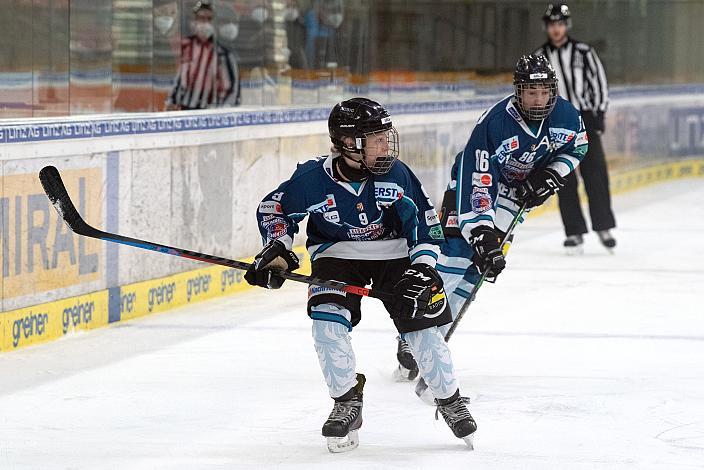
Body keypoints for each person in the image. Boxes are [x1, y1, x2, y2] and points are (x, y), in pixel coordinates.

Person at [244, 97, 476, 452]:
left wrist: (423, 266)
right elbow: (274, 208)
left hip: (395, 253)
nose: (386, 145)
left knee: (422, 324)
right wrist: (277, 250)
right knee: (327, 323)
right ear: (349, 143)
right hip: (336, 254)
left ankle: (450, 399)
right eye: (377, 138)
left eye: (386, 136)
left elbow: (426, 224)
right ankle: (346, 401)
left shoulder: (396, 175)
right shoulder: (311, 179)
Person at [406, 55, 588, 399]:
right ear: (518, 92)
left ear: (553, 90)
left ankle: (435, 338)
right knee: (456, 256)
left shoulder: (566, 114)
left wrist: (551, 173)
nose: (538, 99)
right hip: (472, 188)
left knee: (478, 269)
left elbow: (577, 146)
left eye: (543, 91)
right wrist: (482, 233)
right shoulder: (493, 124)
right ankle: (414, 329)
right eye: (530, 91)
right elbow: (476, 183)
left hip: (514, 198)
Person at [535, 3, 616, 253]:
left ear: (566, 26)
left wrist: (599, 113)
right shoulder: (540, 57)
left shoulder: (583, 51)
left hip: (585, 118)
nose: (556, 29)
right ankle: (574, 232)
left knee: (595, 175)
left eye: (560, 24)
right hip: (556, 122)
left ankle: (603, 226)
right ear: (547, 28)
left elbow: (599, 82)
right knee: (563, 177)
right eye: (552, 25)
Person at [166, 0, 240, 110]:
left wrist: (222, 112)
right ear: (194, 21)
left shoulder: (224, 54)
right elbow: (180, 80)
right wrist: (172, 102)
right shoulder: (187, 48)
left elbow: (233, 91)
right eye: (201, 18)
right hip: (186, 110)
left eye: (209, 19)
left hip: (210, 113)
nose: (205, 23)